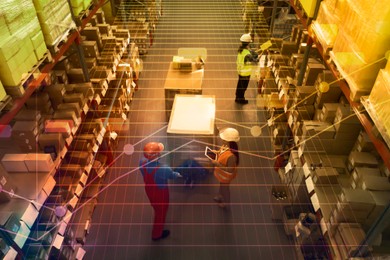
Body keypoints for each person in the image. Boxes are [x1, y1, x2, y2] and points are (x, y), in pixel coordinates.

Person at [139, 142, 182, 241]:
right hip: (161, 194)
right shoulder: (163, 168)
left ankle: (157, 211)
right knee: (160, 214)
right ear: (157, 155)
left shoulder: (142, 162)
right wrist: (178, 174)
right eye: (159, 152)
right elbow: (172, 175)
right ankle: (156, 235)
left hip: (149, 190)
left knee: (156, 208)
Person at [209, 128, 240, 209]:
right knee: (221, 186)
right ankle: (220, 195)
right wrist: (216, 152)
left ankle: (226, 203)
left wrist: (217, 164)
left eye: (224, 139)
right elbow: (221, 152)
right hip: (221, 175)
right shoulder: (225, 146)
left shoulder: (232, 156)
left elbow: (230, 169)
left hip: (225, 176)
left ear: (228, 141)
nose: (222, 140)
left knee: (225, 189)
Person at [235, 33, 259, 104]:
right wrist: (257, 57)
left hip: (240, 72)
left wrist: (253, 53)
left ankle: (237, 97)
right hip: (245, 74)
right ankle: (241, 99)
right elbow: (255, 60)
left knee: (239, 85)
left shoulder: (241, 50)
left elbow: (252, 54)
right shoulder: (247, 54)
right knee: (243, 87)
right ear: (248, 43)